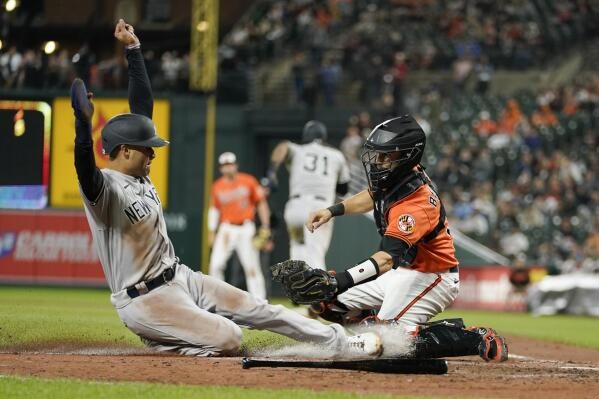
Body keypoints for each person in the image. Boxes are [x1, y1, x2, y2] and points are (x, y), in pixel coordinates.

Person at [71, 19, 382, 357]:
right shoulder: (105, 190)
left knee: (261, 308)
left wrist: (134, 51)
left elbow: (142, 108)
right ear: (124, 150)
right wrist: (82, 125)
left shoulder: (139, 174)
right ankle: (165, 340)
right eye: (146, 147)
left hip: (181, 277)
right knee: (229, 338)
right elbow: (85, 169)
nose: (152, 153)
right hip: (144, 299)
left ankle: (340, 341)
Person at [275, 115, 508, 362]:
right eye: (379, 154)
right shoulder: (398, 176)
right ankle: (378, 323)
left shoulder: (416, 203)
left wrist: (341, 279)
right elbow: (371, 196)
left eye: (387, 155)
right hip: (403, 272)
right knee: (326, 303)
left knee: (388, 342)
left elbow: (386, 259)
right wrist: (332, 211)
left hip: (433, 277)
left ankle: (474, 338)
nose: (379, 161)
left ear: (407, 156)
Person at [267, 120, 350, 270]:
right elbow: (343, 189)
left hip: (295, 208)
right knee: (315, 256)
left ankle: (297, 291)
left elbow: (283, 146)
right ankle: (319, 292)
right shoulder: (336, 155)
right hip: (319, 208)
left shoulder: (299, 150)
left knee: (297, 252)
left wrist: (272, 171)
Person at [207, 151, 269, 298]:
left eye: (230, 164)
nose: (228, 168)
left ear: (236, 165)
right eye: (224, 165)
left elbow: (261, 203)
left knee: (252, 268)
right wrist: (211, 232)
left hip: (246, 228)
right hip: (226, 228)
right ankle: (218, 300)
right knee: (215, 265)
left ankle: (260, 302)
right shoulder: (217, 186)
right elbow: (214, 210)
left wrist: (265, 226)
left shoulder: (248, 181)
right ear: (220, 168)